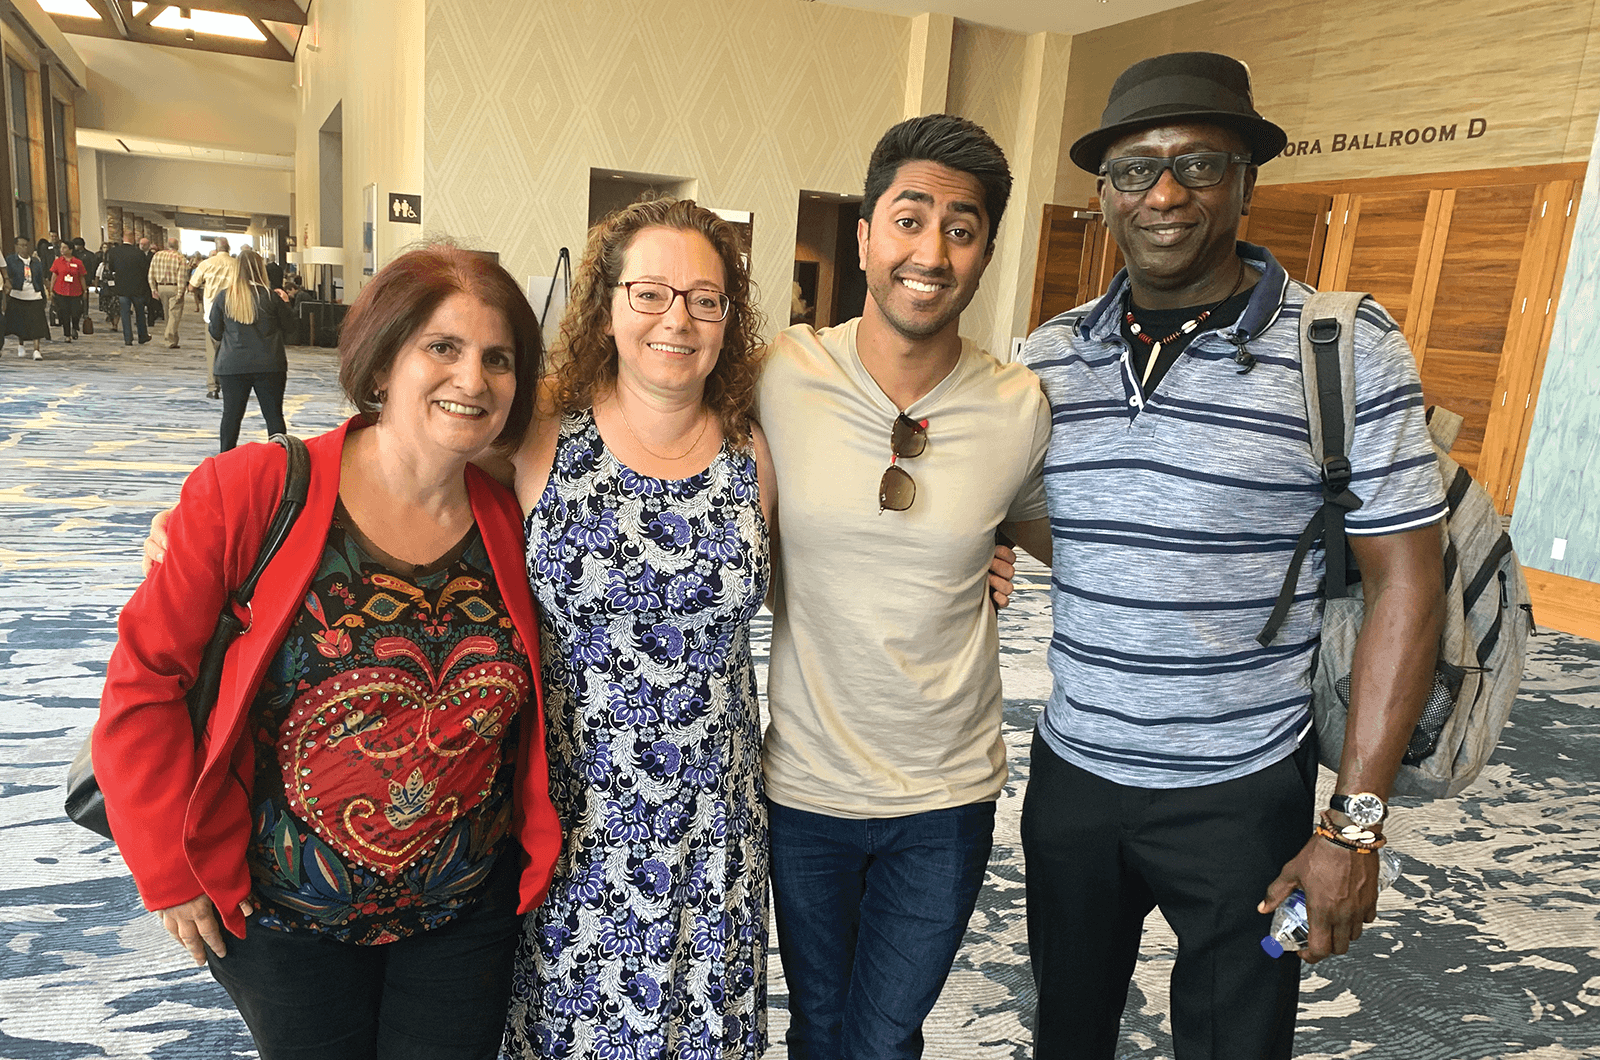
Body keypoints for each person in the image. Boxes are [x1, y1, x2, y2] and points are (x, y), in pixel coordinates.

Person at [1018, 51, 1448, 1060]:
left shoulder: (1342, 349)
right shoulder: (1049, 354)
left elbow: (1406, 579)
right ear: (1102, 194)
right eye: (1135, 168)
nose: (1164, 193)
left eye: (1197, 164)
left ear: (1245, 180)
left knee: (1232, 1040)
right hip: (1072, 775)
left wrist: (1352, 829)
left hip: (1239, 787)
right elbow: (1045, 525)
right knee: (1065, 1031)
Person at [96, 243, 562, 1060]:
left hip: (462, 917)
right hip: (285, 921)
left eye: (499, 359)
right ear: (383, 362)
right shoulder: (252, 493)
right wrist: (168, 870)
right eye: (442, 348)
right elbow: (144, 683)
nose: (474, 379)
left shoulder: (516, 521)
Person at [758, 113, 1051, 1060]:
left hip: (945, 794)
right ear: (866, 236)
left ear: (985, 252)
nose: (932, 250)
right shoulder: (781, 374)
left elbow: (1071, 535)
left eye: (960, 229)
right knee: (822, 1027)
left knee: (885, 1040)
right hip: (806, 786)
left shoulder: (1018, 407)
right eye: (910, 219)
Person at [500, 198, 775, 1060]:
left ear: (729, 320)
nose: (678, 319)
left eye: (705, 299)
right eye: (650, 292)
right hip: (574, 819)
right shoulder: (539, 436)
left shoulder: (755, 455)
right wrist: (224, 513)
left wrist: (984, 549)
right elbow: (391, 461)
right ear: (606, 305)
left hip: (715, 824)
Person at [210, 246, 294, 452]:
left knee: (231, 417)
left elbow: (215, 331)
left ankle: (225, 462)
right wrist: (286, 304)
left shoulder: (224, 297)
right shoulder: (271, 297)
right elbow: (291, 330)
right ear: (261, 269)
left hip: (232, 364)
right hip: (269, 364)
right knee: (274, 416)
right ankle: (280, 462)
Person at [190, 238, 239, 398]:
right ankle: (230, 386)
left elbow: (192, 286)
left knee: (212, 350)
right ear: (229, 248)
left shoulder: (206, 264)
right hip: (233, 311)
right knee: (231, 350)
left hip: (211, 311)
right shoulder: (236, 264)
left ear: (216, 249)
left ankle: (213, 387)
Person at [4, 236, 50, 359]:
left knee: (37, 324)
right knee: (21, 323)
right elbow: (7, 276)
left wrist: (44, 295)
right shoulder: (11, 260)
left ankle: (36, 350)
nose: (24, 248)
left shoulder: (36, 262)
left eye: (26, 245)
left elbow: (39, 280)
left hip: (34, 295)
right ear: (16, 247)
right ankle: (21, 344)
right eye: (22, 245)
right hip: (18, 295)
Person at [107, 232, 153, 346]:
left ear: (123, 238)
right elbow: (144, 270)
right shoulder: (139, 253)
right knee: (140, 312)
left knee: (125, 313)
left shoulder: (114, 252)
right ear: (133, 239)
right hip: (137, 288)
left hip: (122, 287)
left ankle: (128, 338)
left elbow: (111, 267)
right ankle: (142, 336)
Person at [149, 237, 190, 348]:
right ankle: (169, 338)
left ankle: (174, 340)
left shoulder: (157, 255)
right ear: (177, 246)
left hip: (161, 287)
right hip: (174, 287)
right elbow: (182, 277)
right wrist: (181, 292)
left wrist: (153, 289)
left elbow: (151, 273)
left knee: (168, 315)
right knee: (175, 315)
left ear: (167, 245)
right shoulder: (180, 258)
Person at [49, 240, 87, 341]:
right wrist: (51, 289)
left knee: (76, 312)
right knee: (64, 313)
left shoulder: (78, 262)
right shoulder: (58, 262)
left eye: (65, 247)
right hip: (61, 290)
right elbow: (54, 275)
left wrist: (85, 290)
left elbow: (82, 277)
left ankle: (75, 327)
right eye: (61, 247)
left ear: (70, 250)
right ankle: (67, 335)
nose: (62, 250)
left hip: (75, 291)